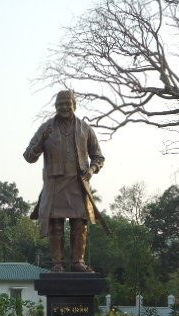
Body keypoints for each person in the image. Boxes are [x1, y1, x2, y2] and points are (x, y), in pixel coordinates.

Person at [23, 90, 106, 272]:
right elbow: (28, 156)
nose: (64, 107)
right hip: (55, 185)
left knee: (79, 224)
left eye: (67, 103)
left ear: (74, 105)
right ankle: (58, 263)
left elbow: (98, 156)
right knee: (56, 225)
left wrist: (92, 169)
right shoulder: (46, 128)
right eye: (60, 104)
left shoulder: (85, 128)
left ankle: (78, 262)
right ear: (55, 107)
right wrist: (41, 141)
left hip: (78, 184)